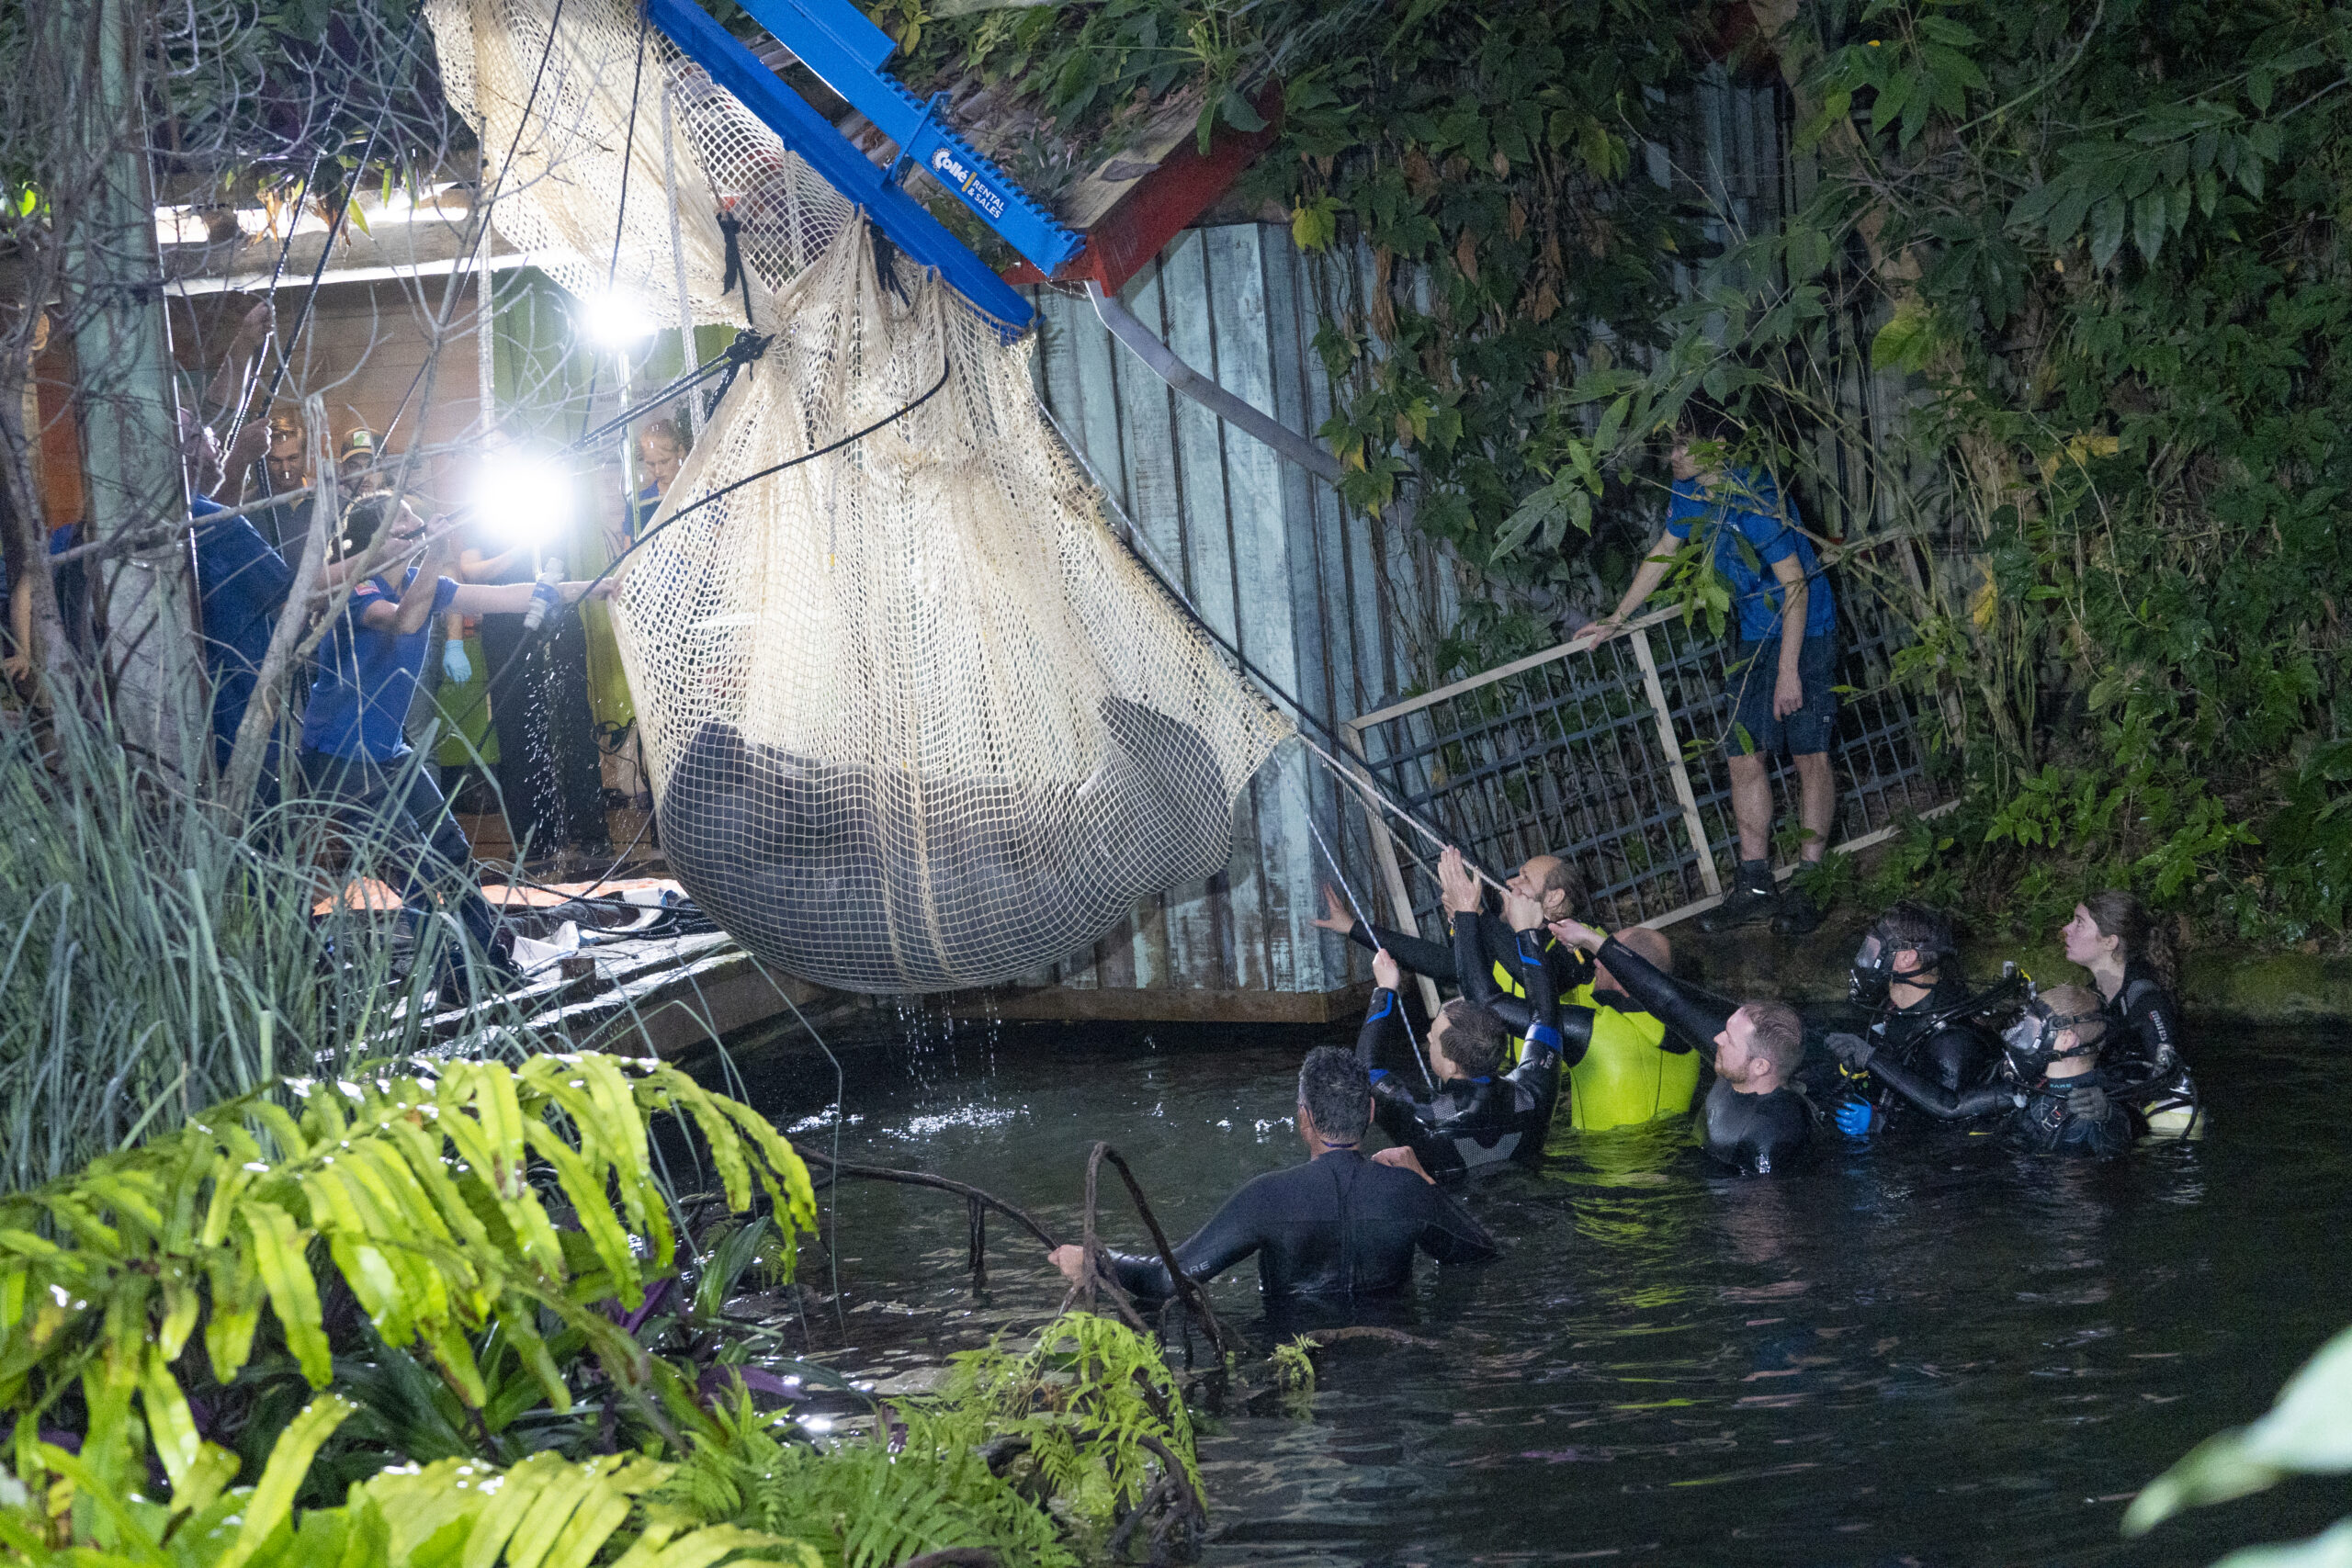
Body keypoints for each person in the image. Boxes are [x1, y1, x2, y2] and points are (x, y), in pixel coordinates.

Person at [299, 502, 610, 987]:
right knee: (415, 869)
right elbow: (404, 619)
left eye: (410, 517)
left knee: (450, 851)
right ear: (373, 541)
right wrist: (440, 550)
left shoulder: (428, 584)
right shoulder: (357, 590)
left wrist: (586, 589)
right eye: (399, 520)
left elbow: (505, 595)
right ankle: (450, 980)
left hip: (388, 751)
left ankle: (490, 964)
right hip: (342, 757)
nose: (410, 524)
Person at [1566, 409, 1838, 935]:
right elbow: (1666, 549)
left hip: (1808, 630)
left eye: (1681, 446)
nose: (1672, 457)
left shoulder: (1755, 496)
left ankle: (1811, 882)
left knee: (1810, 755)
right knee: (1743, 755)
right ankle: (1755, 883)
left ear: (1716, 448)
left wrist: (1789, 673)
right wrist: (1617, 618)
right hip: (1753, 633)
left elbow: (1797, 587)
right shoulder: (1690, 492)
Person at [1046, 1045, 1497, 1303]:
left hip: (1297, 1369)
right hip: (1397, 1363)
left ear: (1304, 1118)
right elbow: (1479, 1253)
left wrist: (1096, 1263)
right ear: (1371, 1112)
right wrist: (1425, 1180)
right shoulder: (1407, 1192)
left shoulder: (1269, 1198)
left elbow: (1167, 1280)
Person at [1548, 915, 1812, 1175]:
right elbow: (1670, 1001)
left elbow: (1763, 1209)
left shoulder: (1775, 1131)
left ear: (1761, 1066)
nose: (1717, 1037)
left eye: (1729, 1038)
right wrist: (1591, 940)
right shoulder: (1738, 1067)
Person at [1355, 906, 1564, 1178]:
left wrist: (1384, 990)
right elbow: (1546, 1018)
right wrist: (1527, 931)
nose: (1428, 1037)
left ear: (1453, 1066)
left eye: (1433, 1037)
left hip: (1455, 1210)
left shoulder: (1426, 1117)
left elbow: (1363, 1070)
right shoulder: (1531, 1094)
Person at [458, 499, 610, 868]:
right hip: (507, 627)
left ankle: (591, 832)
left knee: (573, 719)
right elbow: (470, 570)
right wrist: (519, 549)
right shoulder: (481, 508)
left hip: (558, 622)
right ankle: (533, 839)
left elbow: (559, 568)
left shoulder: (545, 497)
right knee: (517, 727)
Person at [1827, 984, 2130, 1157]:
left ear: (2065, 1039)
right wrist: (1883, 1123)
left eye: (2032, 1029)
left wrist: (2109, 1117)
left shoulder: (2089, 1110)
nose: (2020, 1037)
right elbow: (1952, 1106)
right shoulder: (2032, 1086)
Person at [1315, 844, 1593, 1008]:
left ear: (1555, 897)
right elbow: (1442, 964)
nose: (1510, 883)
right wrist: (1353, 927)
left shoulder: (1583, 942)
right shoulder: (1504, 935)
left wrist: (1476, 915)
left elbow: (1537, 977)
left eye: (1525, 879)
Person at [1827, 902, 2006, 1137]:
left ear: (1907, 958)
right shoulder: (1892, 1007)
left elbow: (1950, 1128)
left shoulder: (1951, 1040)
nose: (1866, 957)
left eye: (1874, 947)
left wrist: (1883, 1124)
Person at [2063, 891, 2200, 1137]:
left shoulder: (2145, 999)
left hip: (2142, 1117)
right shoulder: (2094, 994)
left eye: (2079, 923)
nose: (2066, 929)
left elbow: (2168, 1075)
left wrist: (2108, 1100)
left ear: (2109, 942)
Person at [1556, 926, 1702, 1132]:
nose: (1596, 961)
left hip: (1602, 1161)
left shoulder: (1591, 1031)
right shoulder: (1694, 1032)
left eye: (1606, 957)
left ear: (1626, 973)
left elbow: (1499, 1008)